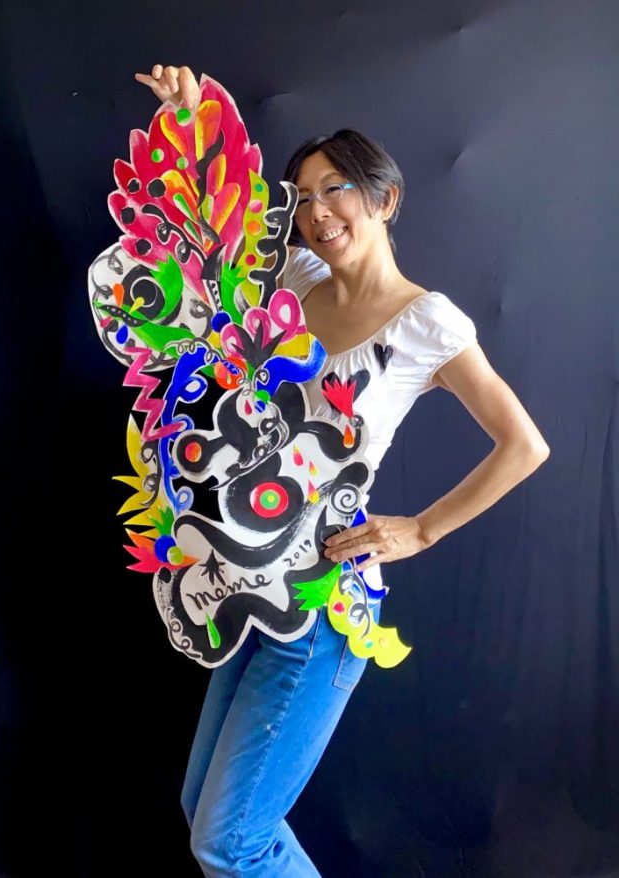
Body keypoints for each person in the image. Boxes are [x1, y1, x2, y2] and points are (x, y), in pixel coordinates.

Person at [133, 64, 551, 877]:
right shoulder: (297, 280)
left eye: (337, 189)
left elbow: (523, 445)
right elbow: (220, 222)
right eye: (304, 197)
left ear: (384, 198)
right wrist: (193, 117)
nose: (318, 211)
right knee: (202, 813)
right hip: (247, 583)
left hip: (323, 609)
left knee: (228, 840)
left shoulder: (428, 323)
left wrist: (422, 529)